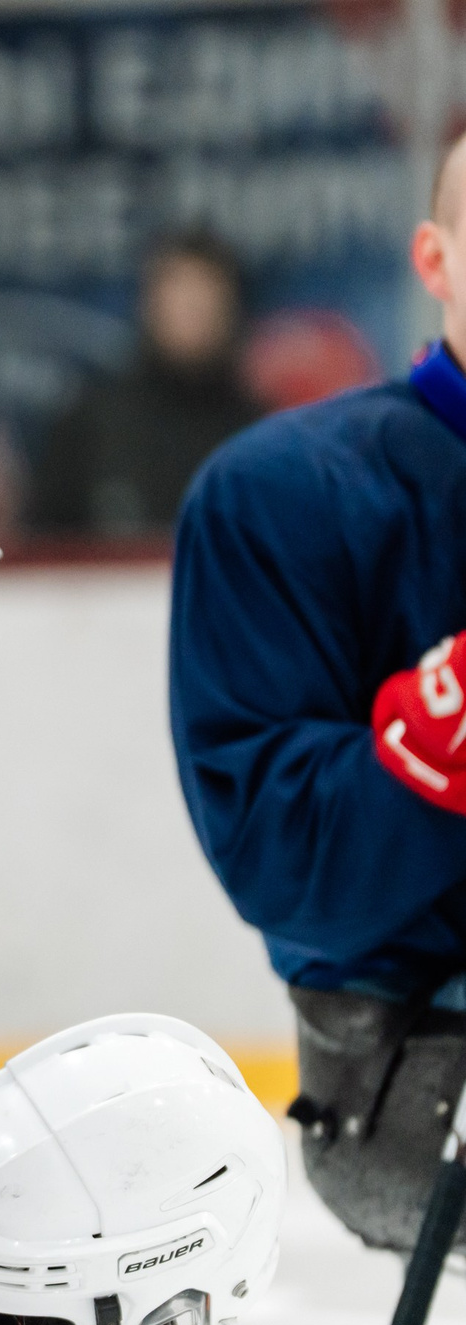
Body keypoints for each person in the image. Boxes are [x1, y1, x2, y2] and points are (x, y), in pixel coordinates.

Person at [171, 139, 466, 1256]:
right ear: (433, 260)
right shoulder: (282, 493)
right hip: (410, 1065)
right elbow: (276, 851)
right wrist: (428, 759)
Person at [30, 231, 263, 539]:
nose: (191, 307)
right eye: (177, 288)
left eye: (206, 291)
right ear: (148, 304)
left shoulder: (259, 439)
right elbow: (39, 554)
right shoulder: (92, 424)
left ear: (232, 308)